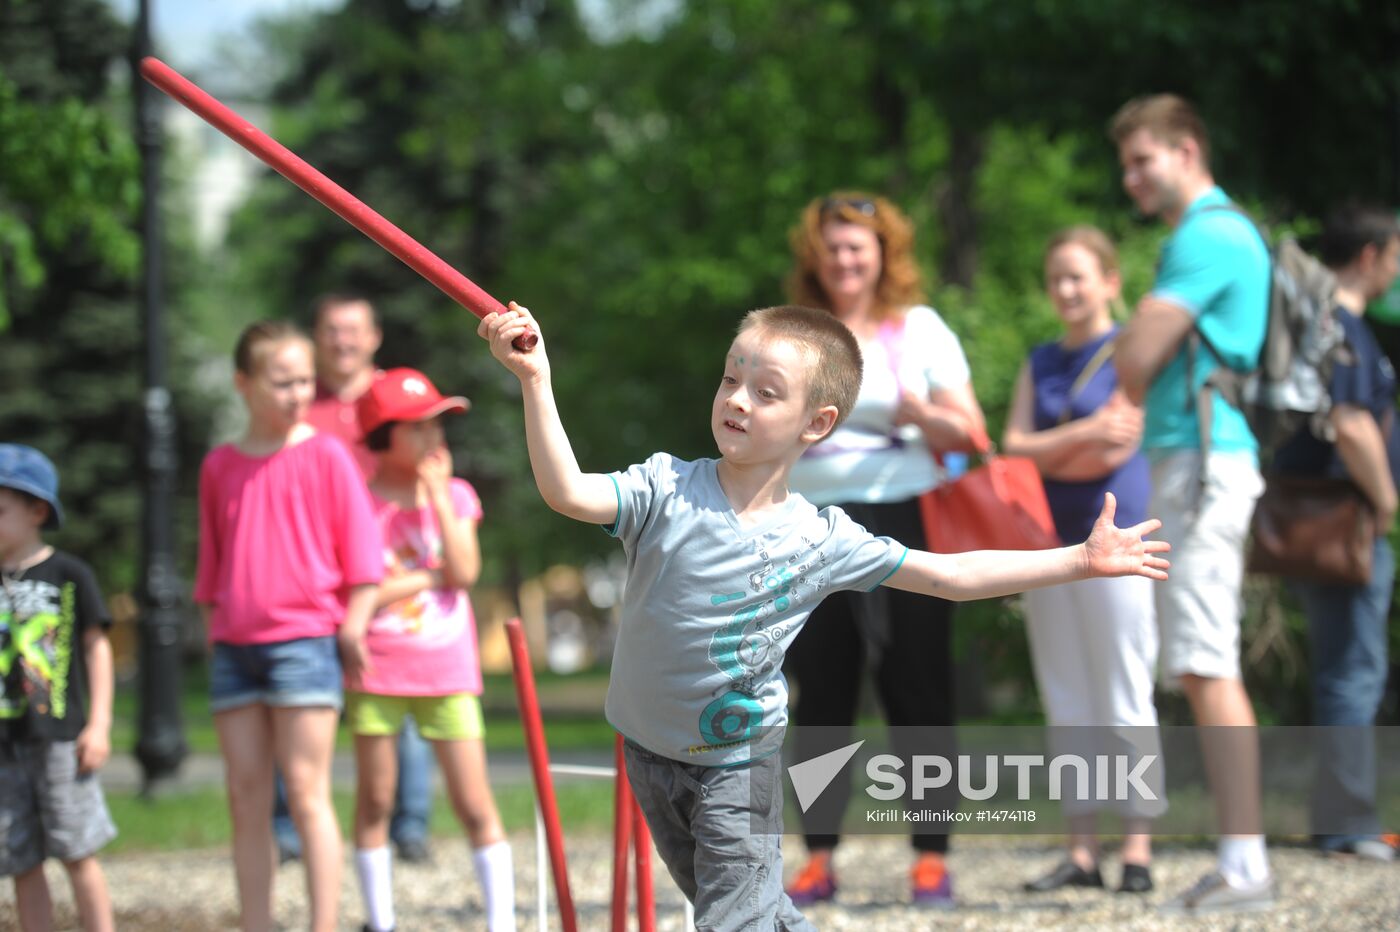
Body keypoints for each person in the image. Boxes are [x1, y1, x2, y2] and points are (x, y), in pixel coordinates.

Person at [477, 301, 1169, 931]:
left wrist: (1077, 561)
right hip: (645, 749)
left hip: (734, 766)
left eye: (765, 391)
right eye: (729, 381)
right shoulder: (663, 488)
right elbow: (567, 492)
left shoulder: (823, 538)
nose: (737, 400)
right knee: (753, 911)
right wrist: (536, 380)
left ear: (817, 422)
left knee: (732, 922)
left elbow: (952, 576)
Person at [781, 192, 985, 906]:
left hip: (905, 514)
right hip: (809, 524)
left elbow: (971, 432)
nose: (844, 259)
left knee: (918, 686)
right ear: (816, 256)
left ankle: (931, 856)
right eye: (832, 247)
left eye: (857, 247)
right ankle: (818, 856)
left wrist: (918, 413)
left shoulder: (919, 329)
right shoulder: (797, 332)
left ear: (882, 255)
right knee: (822, 692)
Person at [1110, 94, 1274, 913]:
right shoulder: (1211, 235)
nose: (1132, 179)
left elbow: (1133, 360)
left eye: (1143, 160)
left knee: (1208, 662)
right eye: (1127, 165)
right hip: (1195, 459)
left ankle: (1245, 866)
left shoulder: (1208, 235)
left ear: (1185, 149)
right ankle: (1238, 857)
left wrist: (1133, 340)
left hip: (1204, 464)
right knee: (1200, 661)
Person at [195, 321, 383, 932]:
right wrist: (212, 631)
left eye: (305, 380)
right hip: (235, 650)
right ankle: (257, 922)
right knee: (246, 796)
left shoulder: (327, 454)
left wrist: (352, 625)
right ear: (243, 385)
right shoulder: (219, 465)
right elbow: (211, 567)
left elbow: (364, 560)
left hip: (304, 645)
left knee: (306, 791)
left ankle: (322, 924)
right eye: (281, 382)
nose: (298, 393)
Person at [1002, 227, 1160, 893]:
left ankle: (1138, 850)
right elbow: (1010, 446)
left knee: (1124, 689)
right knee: (1066, 697)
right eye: (1056, 277)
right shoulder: (1039, 360)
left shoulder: (1131, 351)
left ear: (1109, 281)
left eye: (1079, 276)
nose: (1066, 289)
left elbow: (1113, 451)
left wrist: (1054, 447)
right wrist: (1080, 435)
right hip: (1045, 545)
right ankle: (1082, 851)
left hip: (1118, 542)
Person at [273, 293, 436, 867]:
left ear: (374, 337)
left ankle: (409, 826)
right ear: (318, 339)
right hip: (315, 573)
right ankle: (289, 832)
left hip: (386, 568)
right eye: (331, 331)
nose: (342, 341)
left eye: (353, 331)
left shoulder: (395, 397)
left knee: (400, 696)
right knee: (297, 698)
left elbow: (426, 462)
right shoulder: (298, 401)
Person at [350, 368, 515, 932]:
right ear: (382, 434)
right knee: (375, 802)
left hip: (448, 671)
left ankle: (501, 922)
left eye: (437, 424)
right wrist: (426, 578)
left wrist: (440, 498)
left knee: (474, 804)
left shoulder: (458, 495)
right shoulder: (359, 502)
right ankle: (381, 921)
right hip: (377, 671)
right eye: (417, 427)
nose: (432, 437)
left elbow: (464, 573)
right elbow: (359, 594)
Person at [1271, 205, 1400, 862]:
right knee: (1354, 672)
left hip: (1322, 526)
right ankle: (1348, 823)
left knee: (1341, 671)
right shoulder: (1343, 329)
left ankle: (1336, 817)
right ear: (1372, 255)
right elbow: (1350, 426)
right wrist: (1389, 500)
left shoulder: (1324, 326)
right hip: (1345, 526)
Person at [0, 444, 116, 932]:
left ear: (37, 511)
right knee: (19, 858)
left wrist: (100, 725)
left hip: (60, 739)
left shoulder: (70, 575)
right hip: (4, 744)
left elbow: (97, 648)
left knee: (76, 850)